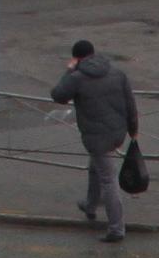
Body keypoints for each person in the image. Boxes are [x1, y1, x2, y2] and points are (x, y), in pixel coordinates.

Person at [50, 39, 137, 245]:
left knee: (108, 179)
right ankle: (90, 205)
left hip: (96, 136)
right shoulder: (117, 73)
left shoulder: (78, 78)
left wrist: (69, 71)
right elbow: (130, 103)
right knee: (95, 166)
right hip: (117, 132)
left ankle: (117, 228)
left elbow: (58, 95)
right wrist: (133, 131)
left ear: (77, 58)